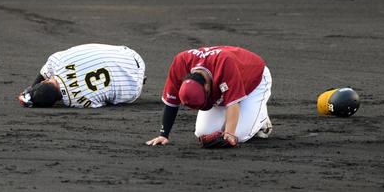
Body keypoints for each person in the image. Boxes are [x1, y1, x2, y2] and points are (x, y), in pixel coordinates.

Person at [146, 46, 272, 148]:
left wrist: (229, 133)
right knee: (203, 133)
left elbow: (233, 103)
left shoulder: (224, 63)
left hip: (254, 81)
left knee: (239, 135)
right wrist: (164, 135)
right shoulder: (180, 63)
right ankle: (246, 116)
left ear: (206, 87)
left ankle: (262, 120)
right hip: (227, 84)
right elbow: (171, 103)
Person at [17, 44, 146, 108]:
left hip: (134, 88)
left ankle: (136, 77)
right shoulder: (59, 61)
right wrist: (30, 89)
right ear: (45, 82)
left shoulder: (77, 103)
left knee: (108, 97)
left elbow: (102, 103)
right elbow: (44, 72)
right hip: (129, 55)